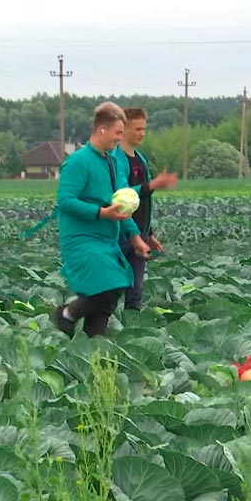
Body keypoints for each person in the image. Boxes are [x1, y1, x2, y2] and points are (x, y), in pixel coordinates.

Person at [54, 102, 151, 336]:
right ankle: (67, 313)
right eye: (118, 133)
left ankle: (92, 345)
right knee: (110, 285)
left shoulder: (112, 161)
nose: (120, 138)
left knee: (110, 295)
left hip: (106, 238)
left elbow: (120, 201)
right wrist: (100, 213)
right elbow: (65, 201)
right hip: (81, 238)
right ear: (102, 130)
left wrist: (136, 236)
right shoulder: (78, 161)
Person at [110, 108, 178, 310]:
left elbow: (144, 202)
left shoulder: (141, 159)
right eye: (137, 129)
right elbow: (123, 194)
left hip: (140, 234)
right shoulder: (116, 159)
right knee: (109, 291)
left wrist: (149, 233)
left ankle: (131, 334)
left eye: (144, 129)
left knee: (135, 291)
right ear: (124, 130)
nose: (142, 133)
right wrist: (153, 185)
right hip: (120, 234)